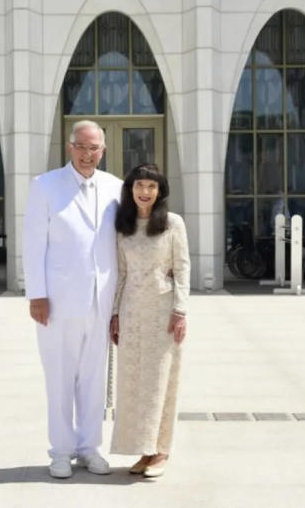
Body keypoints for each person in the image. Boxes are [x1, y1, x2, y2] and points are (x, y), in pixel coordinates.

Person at [23, 120, 123, 479]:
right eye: (80, 146)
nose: (87, 154)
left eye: (93, 148)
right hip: (58, 302)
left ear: (103, 150)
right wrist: (37, 294)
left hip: (101, 300)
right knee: (61, 378)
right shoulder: (46, 186)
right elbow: (33, 244)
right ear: (69, 148)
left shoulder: (116, 187)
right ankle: (61, 451)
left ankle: (89, 447)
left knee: (94, 378)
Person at [109, 163, 190, 478]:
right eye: (139, 186)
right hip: (131, 312)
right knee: (133, 384)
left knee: (160, 381)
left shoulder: (173, 224)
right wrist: (114, 313)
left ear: (160, 191)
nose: (145, 192)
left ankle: (161, 450)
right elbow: (121, 273)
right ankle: (144, 449)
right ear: (131, 190)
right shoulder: (124, 226)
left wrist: (180, 311)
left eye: (151, 187)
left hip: (163, 312)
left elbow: (182, 269)